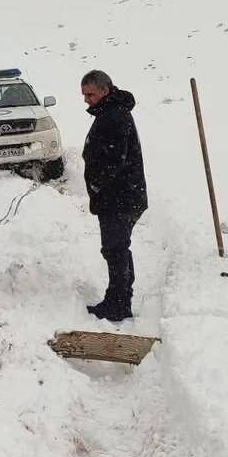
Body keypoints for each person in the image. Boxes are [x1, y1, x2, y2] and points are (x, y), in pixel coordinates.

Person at [81, 70, 147, 322]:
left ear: (105, 91)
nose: (86, 100)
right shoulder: (111, 112)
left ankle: (118, 305)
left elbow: (113, 160)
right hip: (121, 196)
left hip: (120, 198)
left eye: (90, 94)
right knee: (117, 248)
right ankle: (118, 298)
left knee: (115, 249)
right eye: (84, 95)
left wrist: (96, 185)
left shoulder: (115, 116)